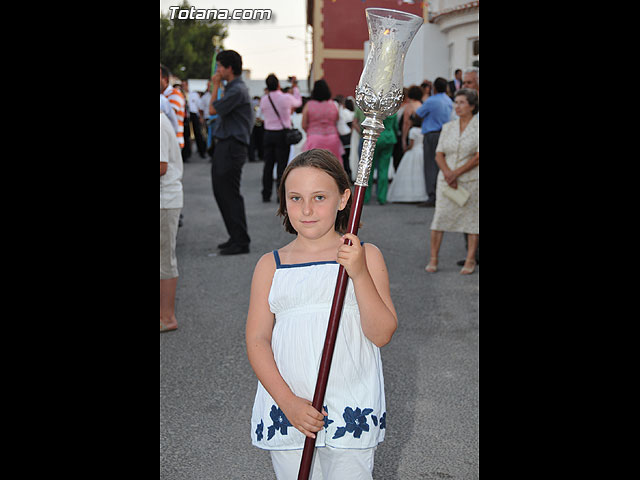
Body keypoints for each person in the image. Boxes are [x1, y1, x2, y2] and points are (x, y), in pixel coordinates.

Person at [246, 149, 397, 480]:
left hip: (350, 402)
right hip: (291, 408)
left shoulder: (365, 256)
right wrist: (288, 402)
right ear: (284, 202)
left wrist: (358, 273)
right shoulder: (270, 265)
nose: (307, 209)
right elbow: (257, 339)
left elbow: (381, 333)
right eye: (296, 198)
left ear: (344, 198)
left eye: (319, 197)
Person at [425, 88, 479, 275]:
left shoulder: (478, 127)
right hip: (446, 181)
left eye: (462, 102)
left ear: (472, 106)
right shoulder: (448, 127)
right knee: (439, 219)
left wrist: (456, 174)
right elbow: (439, 154)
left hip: (470, 180)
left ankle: (470, 260)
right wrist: (448, 174)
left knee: (472, 221)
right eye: (456, 102)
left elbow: (477, 157)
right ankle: (433, 258)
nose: (457, 106)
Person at [208, 50, 253, 255]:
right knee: (222, 191)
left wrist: (215, 85)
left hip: (232, 145)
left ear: (229, 68)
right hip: (228, 144)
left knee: (229, 193)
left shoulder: (237, 90)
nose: (217, 70)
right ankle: (235, 236)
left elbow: (212, 109)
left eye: (219, 66)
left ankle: (240, 241)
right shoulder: (233, 88)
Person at [260, 74, 302, 202]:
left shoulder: (264, 99)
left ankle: (266, 193)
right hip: (282, 134)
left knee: (268, 165)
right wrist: (295, 86)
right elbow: (298, 102)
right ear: (278, 84)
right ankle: (280, 195)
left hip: (268, 133)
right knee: (282, 166)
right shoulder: (285, 98)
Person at [160, 109, 184, 333]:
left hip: (164, 201)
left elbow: (161, 166)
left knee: (165, 260)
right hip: (165, 199)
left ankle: (167, 317)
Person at [415, 77, 453, 207]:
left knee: (430, 164)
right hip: (445, 133)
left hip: (432, 135)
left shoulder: (431, 100)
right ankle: (441, 194)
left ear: (434, 88)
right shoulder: (448, 100)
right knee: (441, 165)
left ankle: (432, 195)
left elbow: (418, 113)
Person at [388, 114, 428, 203]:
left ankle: (407, 195)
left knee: (409, 171)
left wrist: (406, 149)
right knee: (420, 172)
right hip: (421, 151)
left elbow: (411, 144)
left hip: (414, 151)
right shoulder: (423, 130)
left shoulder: (412, 131)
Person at [302, 80, 344, 162]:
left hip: (314, 138)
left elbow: (303, 124)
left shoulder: (309, 105)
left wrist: (312, 130)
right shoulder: (333, 104)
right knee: (333, 164)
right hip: (332, 138)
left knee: (313, 163)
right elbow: (337, 119)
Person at [363, 112, 398, 205]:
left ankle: (366, 196)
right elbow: (396, 126)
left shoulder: (373, 109)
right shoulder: (392, 110)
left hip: (374, 136)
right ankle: (382, 197)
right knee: (384, 169)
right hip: (388, 137)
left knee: (369, 168)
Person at [160, 64, 186, 150]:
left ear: (165, 79)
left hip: (173, 143)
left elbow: (165, 117)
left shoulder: (175, 94)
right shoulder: (163, 96)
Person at [185, 81, 208, 159]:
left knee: (198, 133)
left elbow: (199, 105)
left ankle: (202, 151)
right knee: (187, 135)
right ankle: (187, 154)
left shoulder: (193, 94)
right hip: (187, 115)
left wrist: (200, 116)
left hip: (194, 114)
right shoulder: (182, 94)